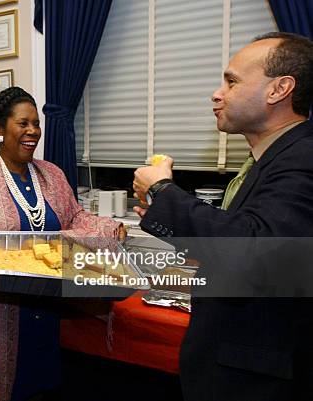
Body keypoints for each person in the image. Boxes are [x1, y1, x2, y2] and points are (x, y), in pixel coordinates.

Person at [132, 32, 313, 401]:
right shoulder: (270, 160)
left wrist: (164, 191)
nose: (217, 93)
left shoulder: (302, 158)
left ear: (279, 89)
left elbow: (250, 250)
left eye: (232, 81)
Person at [0, 87, 123, 401]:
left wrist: (110, 228)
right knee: (6, 388)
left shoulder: (50, 174)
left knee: (42, 384)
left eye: (36, 124)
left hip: (44, 305)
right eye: (23, 123)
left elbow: (75, 218)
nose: (33, 131)